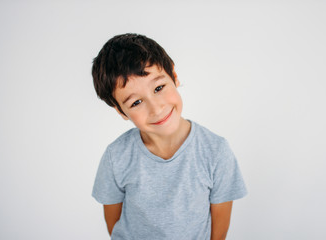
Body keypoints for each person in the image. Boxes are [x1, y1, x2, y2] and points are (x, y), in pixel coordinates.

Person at [91, 33, 248, 240]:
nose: (156, 109)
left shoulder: (216, 151)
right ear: (121, 111)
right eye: (136, 103)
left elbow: (219, 231)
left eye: (159, 88)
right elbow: (114, 222)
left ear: (173, 75)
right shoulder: (116, 156)